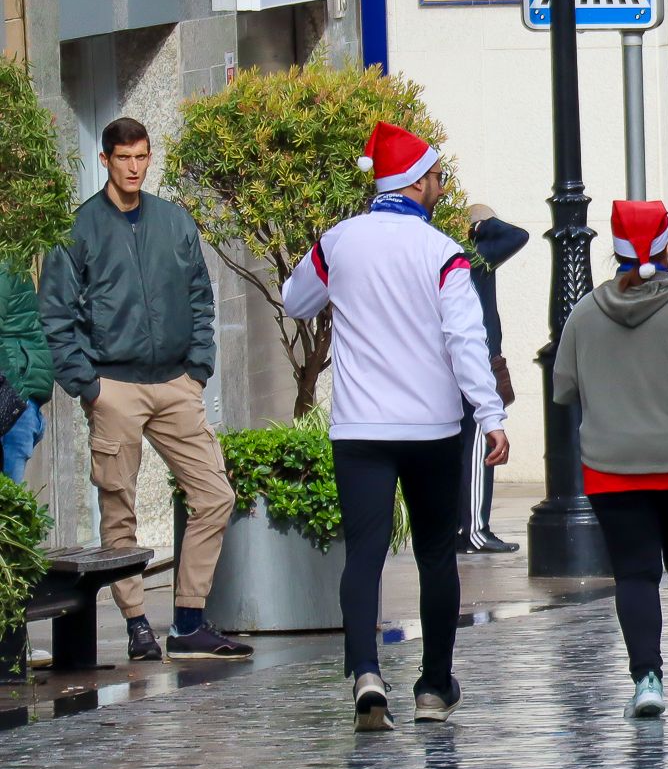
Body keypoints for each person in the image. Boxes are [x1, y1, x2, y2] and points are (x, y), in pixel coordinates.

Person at [281, 121, 508, 732]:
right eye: (436, 178)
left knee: (364, 555)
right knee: (436, 555)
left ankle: (365, 673)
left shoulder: (339, 242)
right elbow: (467, 340)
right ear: (416, 182)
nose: (440, 188)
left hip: (359, 426)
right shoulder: (441, 253)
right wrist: (490, 415)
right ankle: (434, 686)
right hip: (433, 426)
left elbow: (294, 301)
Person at [40, 117, 249, 663]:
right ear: (106, 160)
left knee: (215, 495)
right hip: (115, 388)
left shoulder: (174, 222)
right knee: (119, 509)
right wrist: (89, 386)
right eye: (124, 158)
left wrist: (198, 368)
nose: (134, 167)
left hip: (176, 383)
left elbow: (201, 296)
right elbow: (57, 314)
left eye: (142, 157)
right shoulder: (79, 229)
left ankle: (188, 621)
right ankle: (137, 624)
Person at [553, 200, 668, 716]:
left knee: (635, 575)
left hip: (612, 467)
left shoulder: (587, 311)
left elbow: (564, 387)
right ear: (667, 244)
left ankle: (646, 680)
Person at [457, 205, 530, 553]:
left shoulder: (463, 258)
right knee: (478, 449)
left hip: (463, 363)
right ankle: (474, 531)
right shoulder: (475, 256)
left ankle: (465, 528)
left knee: (465, 450)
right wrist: (484, 224)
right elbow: (519, 235)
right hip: (476, 364)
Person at [0, 265, 53, 483]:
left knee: (8, 507)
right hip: (16, 396)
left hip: (11, 396)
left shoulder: (3, 264)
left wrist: (17, 394)